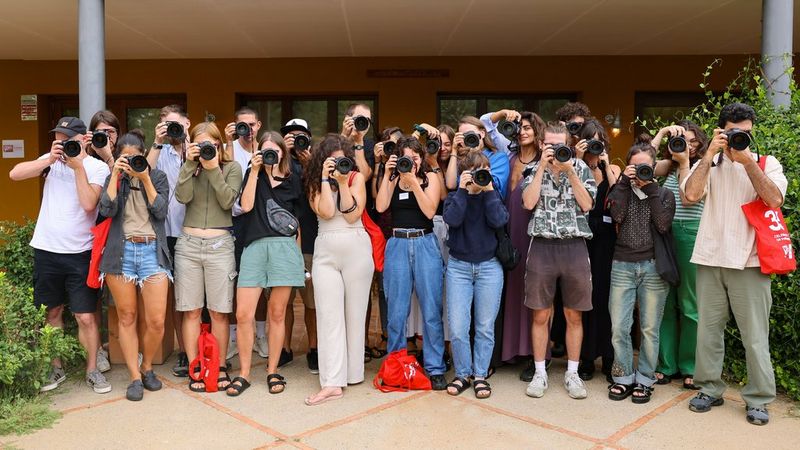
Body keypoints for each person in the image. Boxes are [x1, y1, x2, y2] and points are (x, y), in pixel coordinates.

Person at [683, 103, 787, 426]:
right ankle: (709, 388)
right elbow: (690, 195)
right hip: (710, 257)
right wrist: (708, 155)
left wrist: (747, 162)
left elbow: (774, 200)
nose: (739, 137)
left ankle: (759, 398)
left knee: (754, 335)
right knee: (707, 332)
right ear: (721, 131)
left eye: (746, 133)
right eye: (733, 132)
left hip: (751, 262)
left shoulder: (767, 163)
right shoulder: (709, 163)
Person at [9, 116, 112, 394]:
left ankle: (92, 369)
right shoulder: (50, 161)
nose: (61, 142)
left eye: (67, 139)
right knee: (52, 312)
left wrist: (77, 167)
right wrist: (48, 159)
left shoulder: (96, 167)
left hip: (80, 252)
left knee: (85, 316)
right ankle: (56, 367)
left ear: (82, 140)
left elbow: (89, 204)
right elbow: (15, 174)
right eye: (58, 138)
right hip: (47, 249)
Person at [520, 122, 596, 400]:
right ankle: (540, 372)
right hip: (542, 245)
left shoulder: (582, 168)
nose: (554, 149)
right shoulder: (532, 169)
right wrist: (542, 166)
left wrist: (570, 171)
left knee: (574, 314)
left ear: (568, 144)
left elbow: (587, 205)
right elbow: (528, 203)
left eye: (559, 144)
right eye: (549, 145)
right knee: (540, 314)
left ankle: (572, 373)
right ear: (542, 145)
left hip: (574, 245)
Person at [228, 131, 306, 396]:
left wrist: (298, 258)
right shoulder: (253, 175)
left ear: (283, 152)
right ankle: (244, 373)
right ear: (258, 152)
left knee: (277, 313)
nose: (272, 154)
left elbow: (296, 224)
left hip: (284, 248)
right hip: (254, 247)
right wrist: (254, 170)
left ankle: (273, 370)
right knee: (243, 314)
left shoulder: (293, 180)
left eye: (276, 149)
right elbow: (246, 206)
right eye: (266, 149)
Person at [99, 130, 171, 401]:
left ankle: (147, 365)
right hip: (122, 252)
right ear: (118, 157)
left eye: (135, 157)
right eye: (125, 157)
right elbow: (106, 209)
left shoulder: (158, 177)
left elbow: (161, 211)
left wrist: (145, 178)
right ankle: (134, 377)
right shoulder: (114, 179)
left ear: (144, 155)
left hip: (152, 251)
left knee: (157, 321)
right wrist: (116, 175)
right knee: (127, 317)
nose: (131, 162)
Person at [303, 134, 374, 405]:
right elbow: (325, 211)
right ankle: (332, 381)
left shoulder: (356, 179)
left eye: (342, 160)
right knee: (328, 315)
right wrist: (324, 178)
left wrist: (343, 183)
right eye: (332, 161)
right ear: (322, 161)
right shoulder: (314, 182)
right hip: (325, 252)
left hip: (357, 247)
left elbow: (352, 214)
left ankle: (353, 373)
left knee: (355, 315)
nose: (337, 165)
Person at [606, 134, 675, 404]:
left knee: (649, 329)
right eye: (636, 166)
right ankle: (622, 376)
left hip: (653, 267)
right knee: (619, 327)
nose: (640, 171)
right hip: (622, 265)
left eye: (645, 166)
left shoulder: (664, 193)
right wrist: (624, 182)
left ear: (654, 166)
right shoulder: (620, 189)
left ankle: (645, 379)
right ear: (628, 166)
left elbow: (663, 225)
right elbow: (617, 216)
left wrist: (651, 189)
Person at [174, 122, 243, 392]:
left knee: (219, 312)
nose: (206, 149)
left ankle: (220, 366)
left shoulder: (232, 168)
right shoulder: (189, 167)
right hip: (188, 244)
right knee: (191, 311)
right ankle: (196, 367)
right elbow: (182, 197)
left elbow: (227, 202)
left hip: (219, 244)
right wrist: (190, 165)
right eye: (200, 144)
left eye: (211, 144)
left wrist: (213, 168)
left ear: (219, 144)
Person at [375, 136, 447, 390]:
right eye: (406, 158)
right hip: (397, 244)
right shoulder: (393, 178)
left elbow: (429, 211)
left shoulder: (430, 178)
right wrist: (388, 174)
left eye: (415, 158)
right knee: (396, 311)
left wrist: (414, 182)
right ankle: (395, 366)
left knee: (431, 309)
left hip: (425, 242)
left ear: (421, 158)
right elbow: (381, 206)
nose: (411, 162)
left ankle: (435, 367)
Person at [481, 109, 545, 381]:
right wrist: (502, 114)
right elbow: (485, 123)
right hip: (506, 229)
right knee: (508, 289)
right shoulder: (507, 154)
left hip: (533, 231)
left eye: (529, 127)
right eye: (521, 127)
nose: (523, 132)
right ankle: (508, 351)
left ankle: (534, 355)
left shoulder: (544, 161)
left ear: (538, 132)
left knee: (533, 291)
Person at [443, 151, 508, 399]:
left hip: (489, 267)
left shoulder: (494, 196)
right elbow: (452, 220)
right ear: (464, 174)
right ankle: (462, 374)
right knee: (458, 328)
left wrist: (488, 190)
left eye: (484, 170)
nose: (480, 175)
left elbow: (499, 220)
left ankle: (480, 375)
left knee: (484, 327)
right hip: (458, 267)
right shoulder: (454, 197)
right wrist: (463, 190)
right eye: (475, 171)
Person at [651, 121, 708, 389]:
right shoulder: (669, 166)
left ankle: (690, 366)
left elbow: (688, 198)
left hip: (691, 233)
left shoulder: (705, 166)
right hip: (665, 233)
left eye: (693, 141)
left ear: (701, 143)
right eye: (683, 140)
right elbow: (644, 163)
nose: (688, 145)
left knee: (689, 303)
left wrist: (685, 162)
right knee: (665, 302)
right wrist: (662, 134)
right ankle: (666, 365)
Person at [146, 105, 191, 378]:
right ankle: (184, 350)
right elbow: (144, 172)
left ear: (187, 123)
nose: (173, 129)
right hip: (166, 232)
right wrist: (157, 141)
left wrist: (190, 146)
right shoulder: (159, 151)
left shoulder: (197, 148)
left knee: (197, 297)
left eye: (177, 124)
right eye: (167, 125)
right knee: (177, 298)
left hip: (194, 231)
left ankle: (204, 347)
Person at [223, 107, 269, 362]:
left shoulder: (266, 148)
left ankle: (260, 334)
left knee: (257, 279)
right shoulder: (227, 148)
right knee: (233, 280)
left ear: (258, 125)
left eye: (252, 125)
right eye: (243, 125)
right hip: (233, 220)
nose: (247, 130)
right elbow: (224, 175)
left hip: (259, 219)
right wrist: (227, 141)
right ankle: (232, 337)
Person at [576, 118, 620, 382]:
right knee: (584, 299)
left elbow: (618, 198)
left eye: (598, 141)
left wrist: (605, 164)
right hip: (582, 240)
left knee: (606, 300)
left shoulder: (612, 168)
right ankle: (586, 357)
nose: (594, 146)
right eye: (589, 140)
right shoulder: (575, 166)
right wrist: (577, 158)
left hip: (606, 243)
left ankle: (609, 357)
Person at [279, 118, 319, 372]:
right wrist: (282, 153)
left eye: (301, 136)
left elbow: (321, 194)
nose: (296, 140)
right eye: (291, 136)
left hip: (312, 240)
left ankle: (314, 348)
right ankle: (284, 348)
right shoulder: (278, 161)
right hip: (283, 241)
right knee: (283, 301)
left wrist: (309, 165)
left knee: (312, 302)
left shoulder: (315, 162)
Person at [446, 116, 510, 200]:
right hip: (463, 206)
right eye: (464, 136)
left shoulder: (498, 157)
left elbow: (489, 185)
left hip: (488, 206)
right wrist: (454, 150)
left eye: (471, 134)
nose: (469, 138)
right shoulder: (460, 160)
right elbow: (451, 185)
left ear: (482, 133)